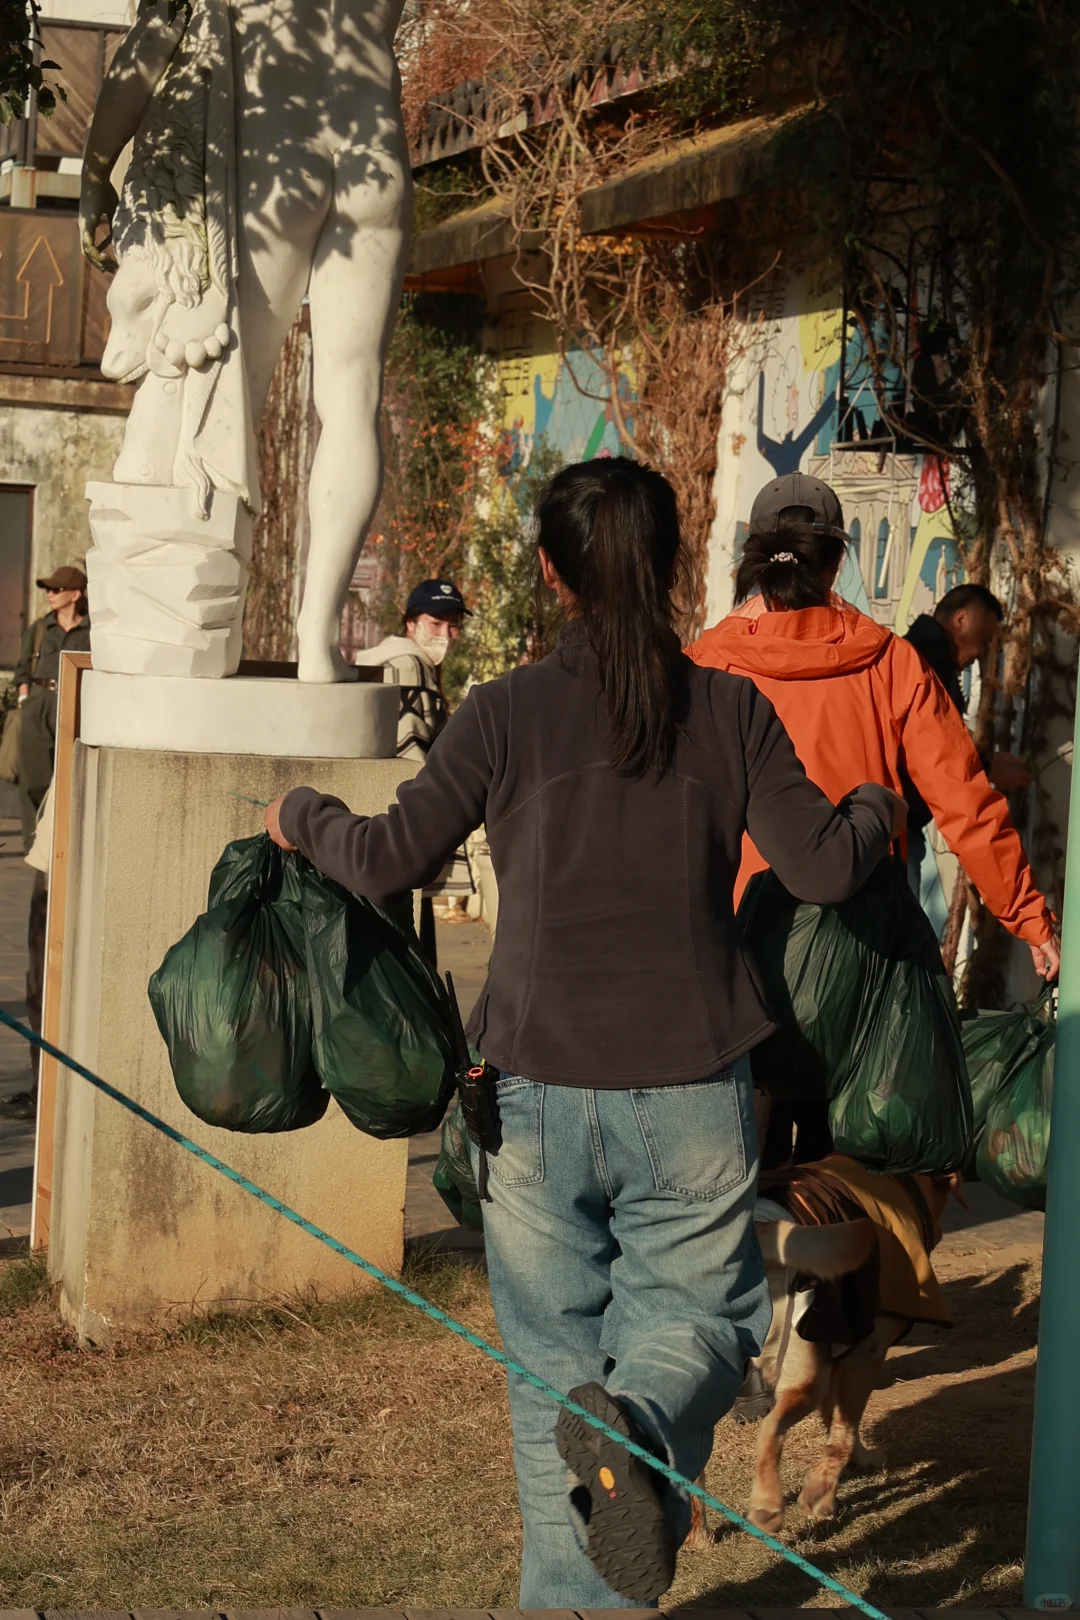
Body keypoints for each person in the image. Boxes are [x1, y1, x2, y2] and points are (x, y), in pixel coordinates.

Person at [265, 456, 903, 1607]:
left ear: (551, 573)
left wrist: (298, 814)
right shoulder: (731, 709)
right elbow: (820, 867)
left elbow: (387, 858)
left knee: (551, 1379)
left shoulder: (503, 711)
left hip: (530, 1088)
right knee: (703, 1324)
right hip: (693, 1085)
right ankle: (641, 1433)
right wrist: (875, 807)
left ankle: (609, 1491)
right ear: (669, 564)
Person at [688, 471, 1058, 1172]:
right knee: (842, 1175)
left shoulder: (704, 666)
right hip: (855, 963)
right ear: (836, 561)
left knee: (734, 1170)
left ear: (756, 557)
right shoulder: (890, 664)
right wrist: (1030, 920)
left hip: (731, 954)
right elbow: (965, 803)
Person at [355, 579, 474, 962]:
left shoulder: (385, 661)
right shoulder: (410, 666)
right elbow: (413, 757)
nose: (446, 635)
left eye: (453, 625)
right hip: (402, 833)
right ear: (410, 624)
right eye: (436, 624)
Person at [903, 583, 1033, 897]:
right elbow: (930, 749)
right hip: (894, 834)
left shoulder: (919, 658)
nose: (981, 654)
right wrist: (986, 767)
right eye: (984, 640)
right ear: (961, 620)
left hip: (894, 828)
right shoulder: (924, 664)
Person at [13, 567, 90, 853]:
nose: (50, 595)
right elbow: (23, 668)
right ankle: (35, 849)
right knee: (33, 780)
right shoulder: (40, 629)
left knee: (71, 777)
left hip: (75, 704)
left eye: (57, 590)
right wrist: (25, 699)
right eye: (48, 590)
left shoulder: (92, 631)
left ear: (75, 595)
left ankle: (64, 846)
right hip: (39, 702)